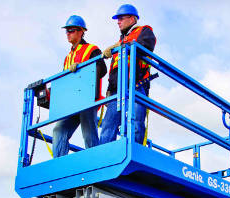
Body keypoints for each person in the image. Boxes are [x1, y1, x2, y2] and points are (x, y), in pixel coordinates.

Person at [100, 4, 156, 144]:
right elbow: (114, 69)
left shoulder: (144, 31)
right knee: (108, 127)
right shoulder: (120, 42)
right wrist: (108, 90)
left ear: (132, 18)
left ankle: (135, 152)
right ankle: (104, 159)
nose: (118, 22)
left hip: (136, 86)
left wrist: (121, 45)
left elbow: (145, 45)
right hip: (116, 91)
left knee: (136, 123)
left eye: (120, 18)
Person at [52, 15, 107, 158]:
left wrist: (82, 70)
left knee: (89, 134)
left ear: (81, 31)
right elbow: (64, 81)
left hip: (88, 100)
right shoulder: (67, 57)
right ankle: (59, 165)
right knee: (59, 130)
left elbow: (102, 68)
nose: (68, 34)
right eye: (67, 31)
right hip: (72, 103)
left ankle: (95, 164)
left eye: (71, 30)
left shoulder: (91, 49)